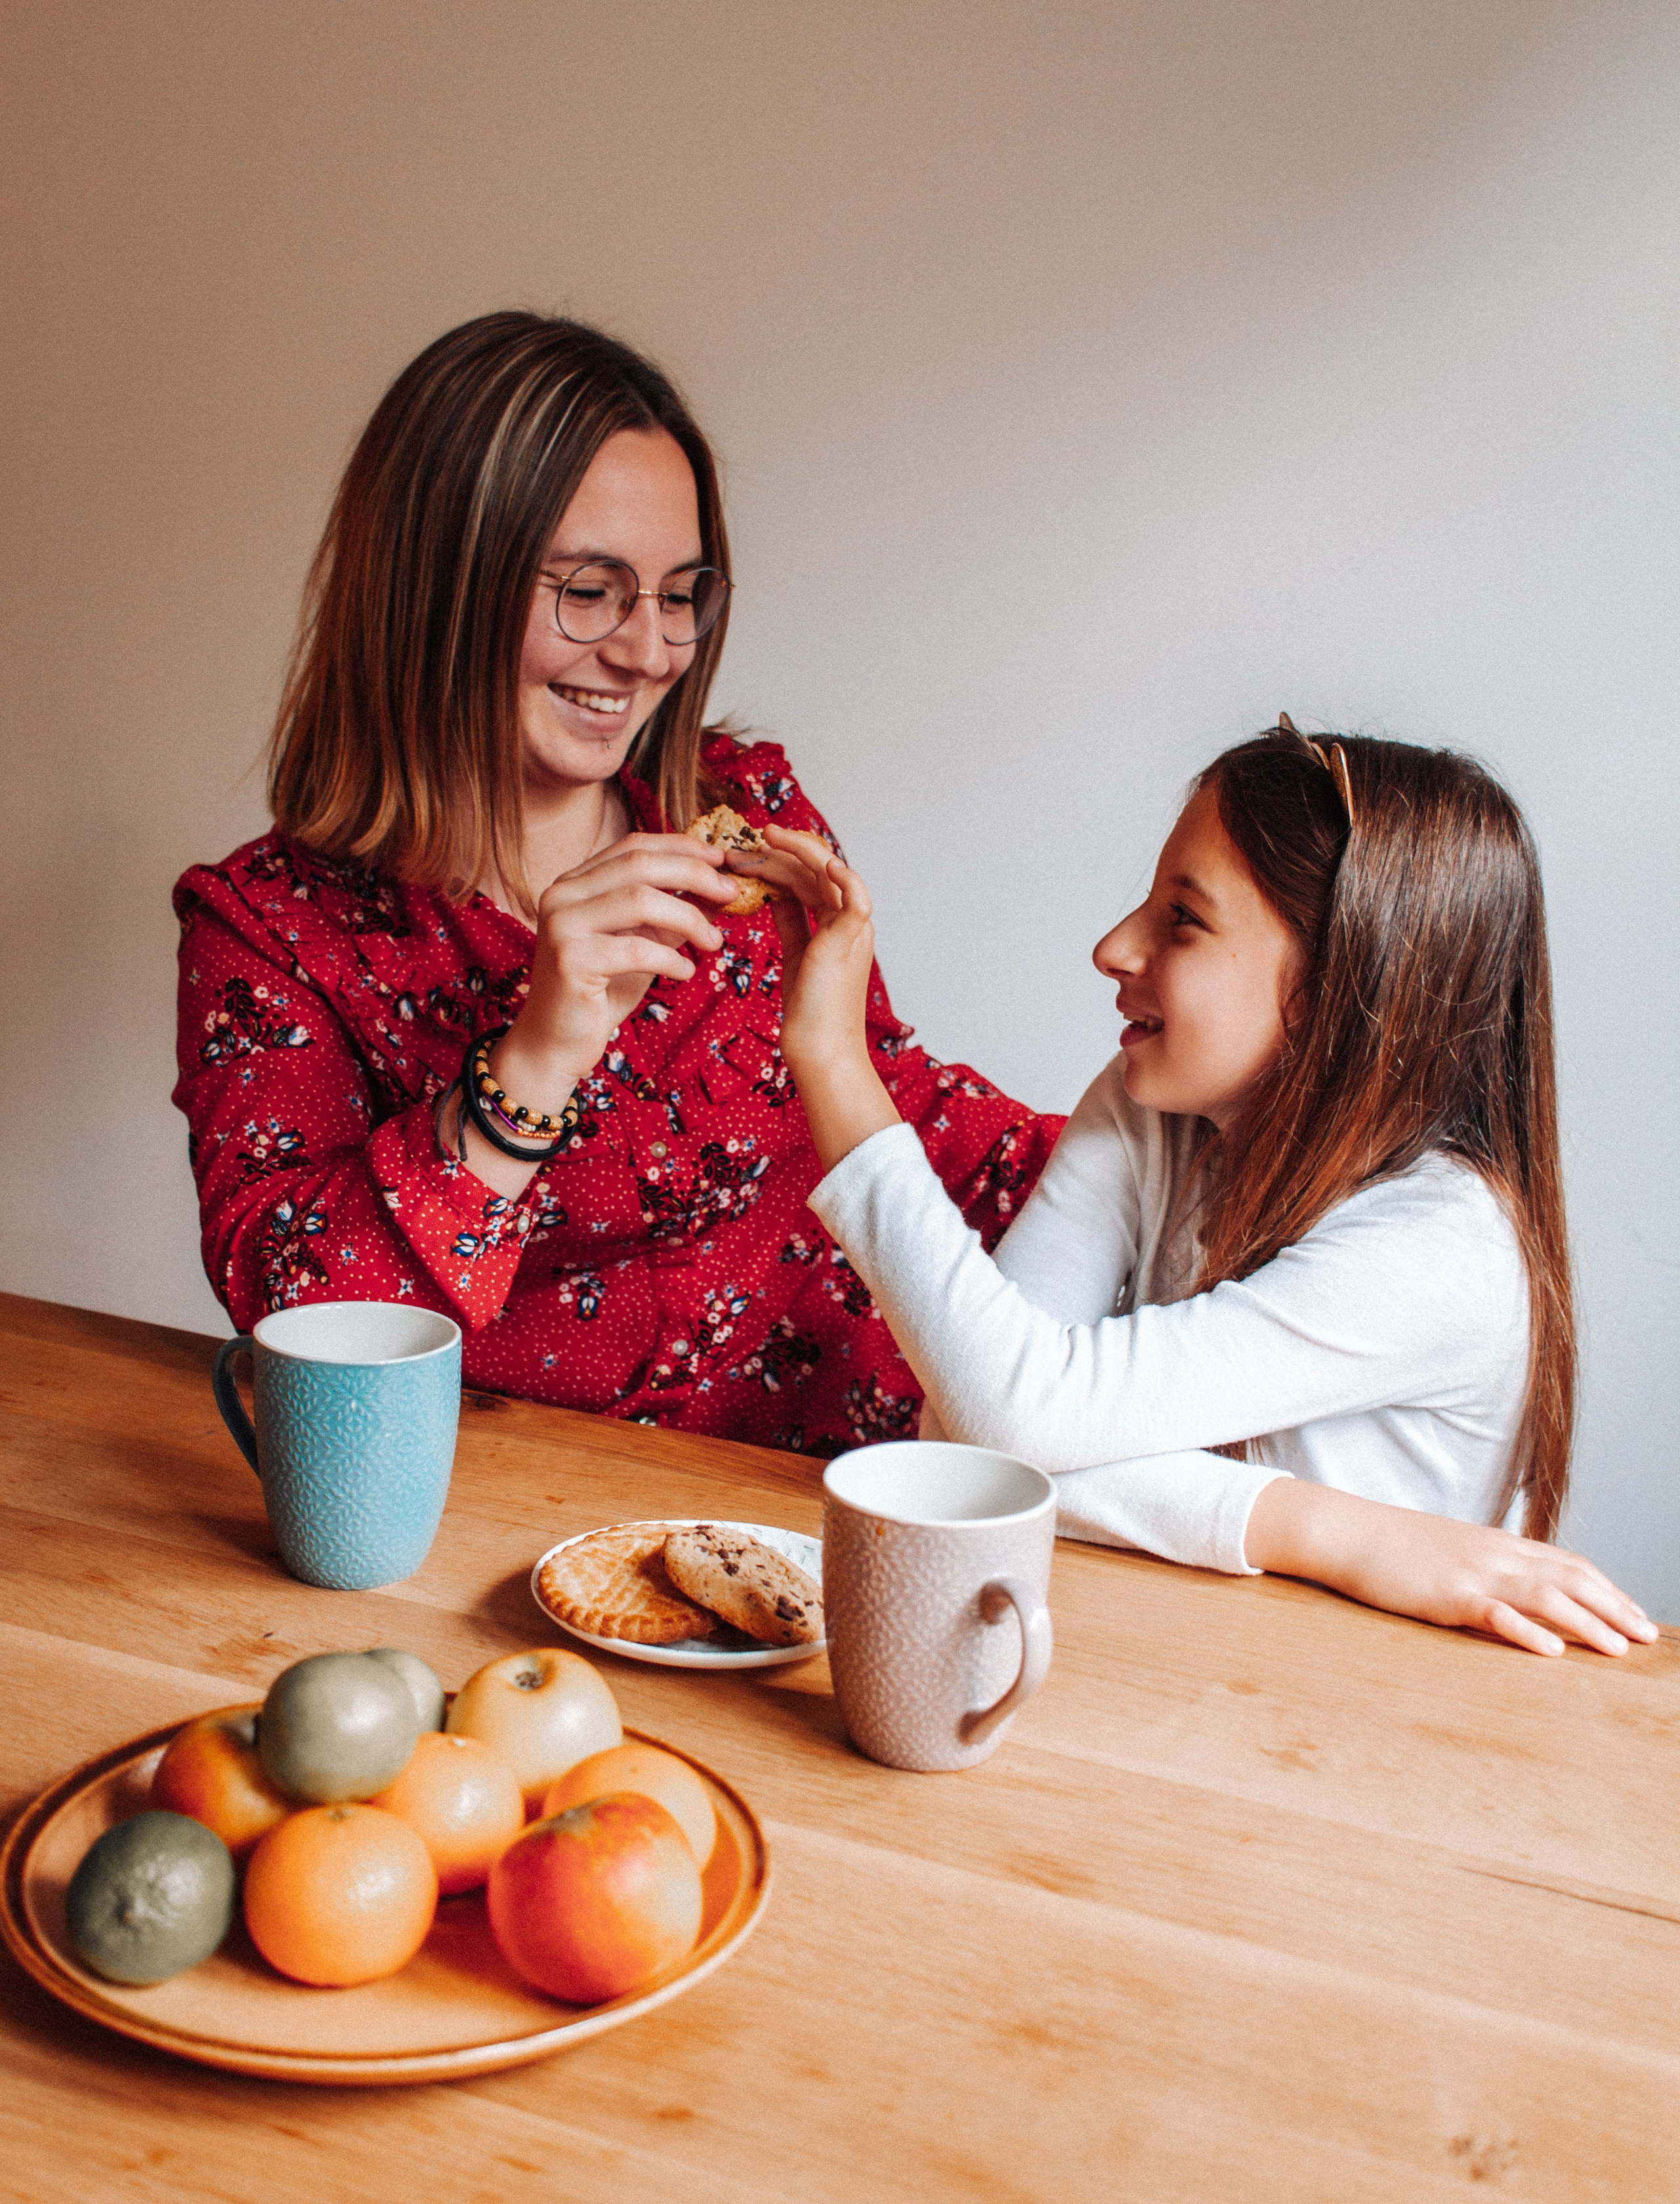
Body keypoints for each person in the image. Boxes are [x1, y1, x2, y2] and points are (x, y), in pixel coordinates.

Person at [173, 311, 1060, 1452]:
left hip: (849, 1496)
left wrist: (1189, 1168)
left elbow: (896, 1107)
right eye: (590, 590)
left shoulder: (745, 813)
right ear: (440, 585)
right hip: (532, 1538)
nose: (651, 650)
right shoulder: (271, 932)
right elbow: (292, 1309)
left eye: (681, 592)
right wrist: (530, 1065)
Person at [746, 721, 1655, 1655]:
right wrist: (1332, 1531)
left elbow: (1002, 1414)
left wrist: (832, 1060)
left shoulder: (1443, 1248)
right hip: (1189, 1664)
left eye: (1183, 918)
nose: (1112, 946)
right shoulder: (1151, 1105)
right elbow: (971, 1425)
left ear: (1336, 990)